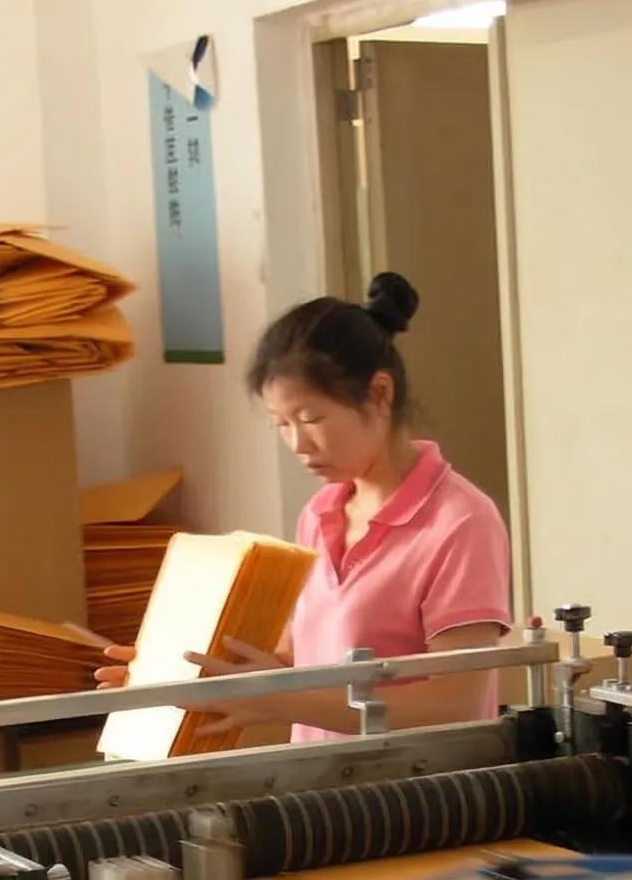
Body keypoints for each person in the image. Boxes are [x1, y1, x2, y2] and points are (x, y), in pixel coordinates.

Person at [96, 273, 512, 739]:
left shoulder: (459, 522)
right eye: (281, 424)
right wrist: (170, 673)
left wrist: (274, 700)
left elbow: (455, 704)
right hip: (322, 792)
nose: (297, 444)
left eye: (311, 419)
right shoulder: (320, 513)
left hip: (415, 799)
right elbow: (297, 662)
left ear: (379, 393)